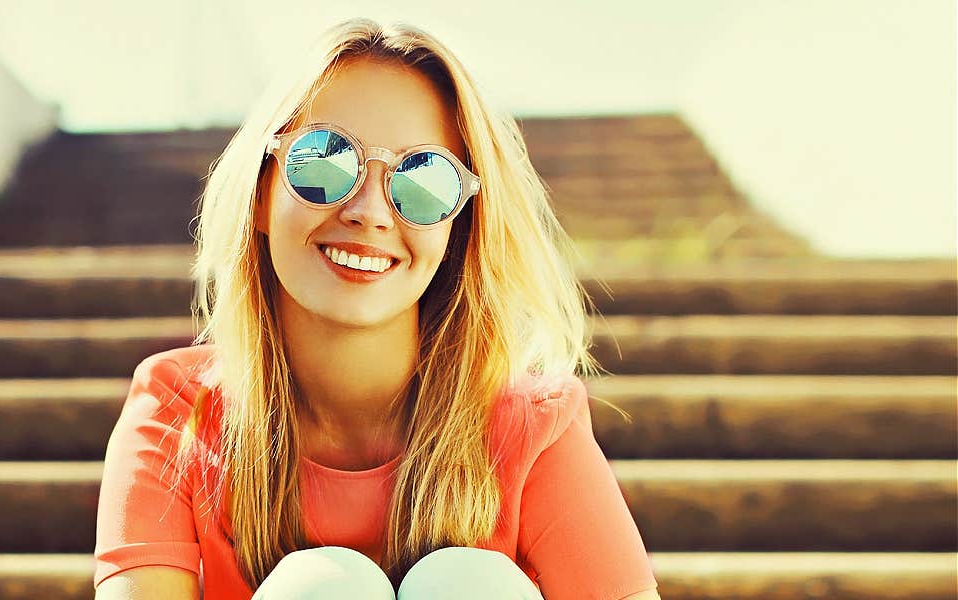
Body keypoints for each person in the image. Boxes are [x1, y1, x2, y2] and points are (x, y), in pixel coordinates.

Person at [93, 17, 660, 600]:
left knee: (468, 585)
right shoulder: (175, 411)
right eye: (324, 161)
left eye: (424, 181)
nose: (371, 211)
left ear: (457, 231)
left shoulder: (536, 426)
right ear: (259, 194)